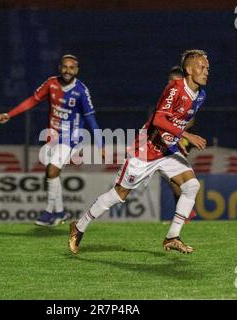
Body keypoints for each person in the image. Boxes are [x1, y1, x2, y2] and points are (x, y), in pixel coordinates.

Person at [69, 49, 209, 254]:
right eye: (201, 67)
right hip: (146, 150)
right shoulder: (175, 89)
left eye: (207, 68)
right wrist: (187, 136)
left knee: (192, 186)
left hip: (167, 151)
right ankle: (78, 227)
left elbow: (175, 121)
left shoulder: (201, 95)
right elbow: (158, 120)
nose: (206, 71)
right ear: (189, 69)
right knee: (119, 194)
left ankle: (172, 237)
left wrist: (176, 139)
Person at [0, 54, 104, 227]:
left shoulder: (81, 91)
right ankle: (60, 211)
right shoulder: (51, 83)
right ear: (59, 67)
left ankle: (49, 211)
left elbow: (91, 118)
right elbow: (33, 100)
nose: (67, 70)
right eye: (65, 67)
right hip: (53, 136)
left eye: (71, 68)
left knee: (52, 171)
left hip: (70, 138)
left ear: (77, 70)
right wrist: (10, 114)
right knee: (52, 174)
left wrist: (100, 143)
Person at [166, 66, 197, 223]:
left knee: (173, 173)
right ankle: (185, 210)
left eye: (174, 80)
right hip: (168, 137)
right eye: (169, 80)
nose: (171, 83)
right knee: (170, 176)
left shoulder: (187, 95)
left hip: (181, 139)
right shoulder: (169, 95)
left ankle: (185, 211)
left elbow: (191, 119)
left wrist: (177, 131)